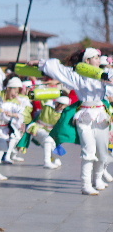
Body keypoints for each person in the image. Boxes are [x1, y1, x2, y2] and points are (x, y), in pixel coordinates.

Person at [30, 48, 113, 195]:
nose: (99, 59)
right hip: (84, 116)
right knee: (89, 150)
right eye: (96, 57)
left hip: (101, 115)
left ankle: (98, 178)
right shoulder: (76, 75)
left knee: (102, 152)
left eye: (100, 57)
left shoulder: (105, 73)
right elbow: (57, 68)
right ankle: (85, 185)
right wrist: (40, 63)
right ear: (87, 60)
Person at [19, 96, 70, 169]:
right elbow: (41, 97)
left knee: (52, 146)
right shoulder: (47, 105)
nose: (61, 106)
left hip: (51, 131)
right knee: (48, 140)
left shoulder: (65, 113)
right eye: (60, 104)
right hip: (38, 127)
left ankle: (55, 159)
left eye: (63, 105)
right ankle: (47, 162)